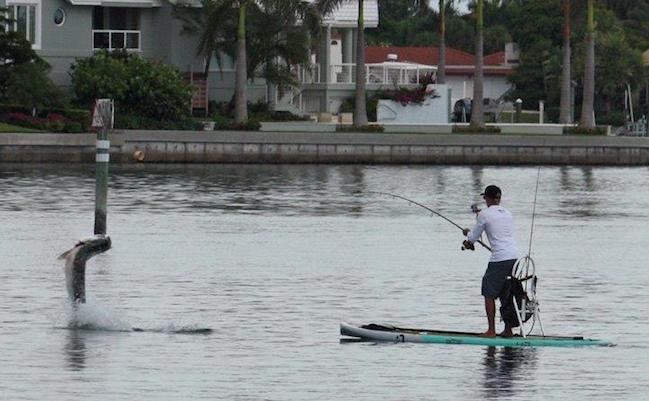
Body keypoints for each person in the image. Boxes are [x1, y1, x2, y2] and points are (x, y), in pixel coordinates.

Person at [462, 185, 520, 338]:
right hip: (514, 256)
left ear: (486, 198)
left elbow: (473, 238)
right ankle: (508, 330)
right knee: (506, 292)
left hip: (499, 259)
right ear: (499, 198)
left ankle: (491, 331)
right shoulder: (507, 213)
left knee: (488, 293)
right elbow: (496, 225)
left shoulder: (484, 215)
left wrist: (468, 237)